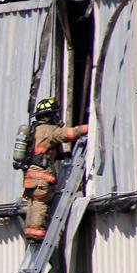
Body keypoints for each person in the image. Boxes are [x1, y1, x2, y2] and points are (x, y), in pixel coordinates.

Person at [21, 97, 89, 242]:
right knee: (41, 204)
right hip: (42, 178)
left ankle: (30, 233)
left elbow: (41, 153)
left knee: (32, 205)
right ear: (50, 115)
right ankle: (37, 234)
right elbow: (68, 134)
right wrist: (90, 127)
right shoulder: (49, 130)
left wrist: (61, 155)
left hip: (30, 179)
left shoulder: (34, 131)